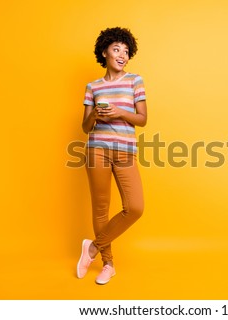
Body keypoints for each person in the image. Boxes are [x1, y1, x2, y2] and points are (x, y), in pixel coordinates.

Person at [77, 27, 147, 285]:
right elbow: (85, 127)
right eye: (116, 49)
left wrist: (118, 112)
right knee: (101, 209)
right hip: (97, 149)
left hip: (125, 151)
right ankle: (108, 264)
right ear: (104, 51)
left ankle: (92, 248)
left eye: (126, 51)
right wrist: (95, 114)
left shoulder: (134, 81)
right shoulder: (92, 87)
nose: (122, 55)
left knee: (135, 207)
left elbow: (143, 119)